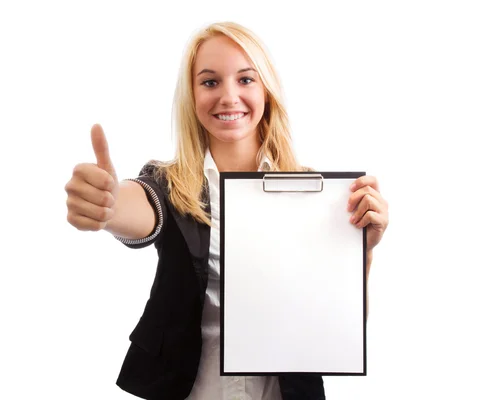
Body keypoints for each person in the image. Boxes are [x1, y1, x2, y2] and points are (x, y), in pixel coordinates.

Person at [65, 21, 389, 400]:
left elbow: (337, 326)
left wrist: (360, 253)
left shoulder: (314, 196)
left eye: (246, 79)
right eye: (210, 82)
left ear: (266, 89)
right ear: (193, 95)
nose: (229, 96)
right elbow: (141, 207)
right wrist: (109, 205)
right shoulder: (169, 183)